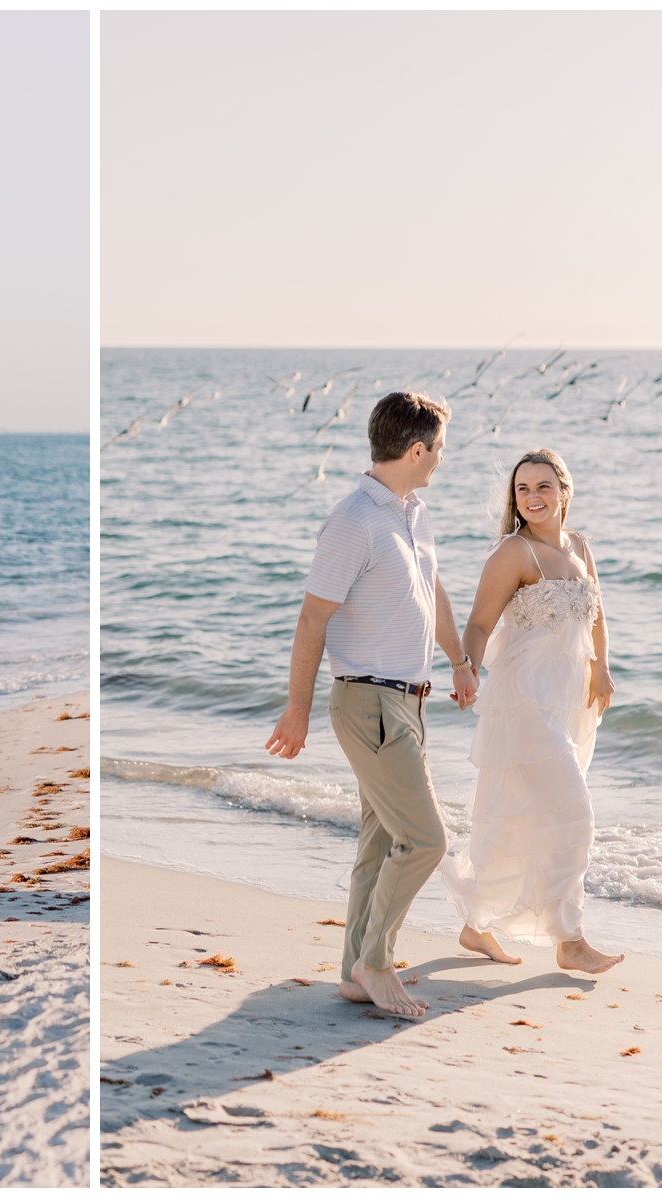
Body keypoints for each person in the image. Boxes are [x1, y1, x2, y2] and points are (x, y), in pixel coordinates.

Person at [266, 391, 477, 1018]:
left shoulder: (413, 514)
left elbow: (430, 588)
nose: (442, 459)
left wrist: (459, 662)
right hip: (369, 702)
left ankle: (355, 970)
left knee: (382, 843)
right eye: (439, 449)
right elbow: (312, 619)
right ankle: (377, 962)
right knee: (426, 841)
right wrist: (296, 710)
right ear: (417, 450)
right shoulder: (354, 519)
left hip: (406, 701)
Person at [438, 448, 623, 974]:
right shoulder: (513, 553)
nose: (533, 498)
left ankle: (476, 927)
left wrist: (600, 667)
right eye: (523, 489)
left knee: (521, 816)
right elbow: (477, 623)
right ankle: (570, 939)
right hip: (523, 699)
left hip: (568, 699)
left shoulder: (580, 546)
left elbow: (596, 615)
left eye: (543, 487)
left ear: (564, 491)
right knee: (575, 812)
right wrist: (466, 667)